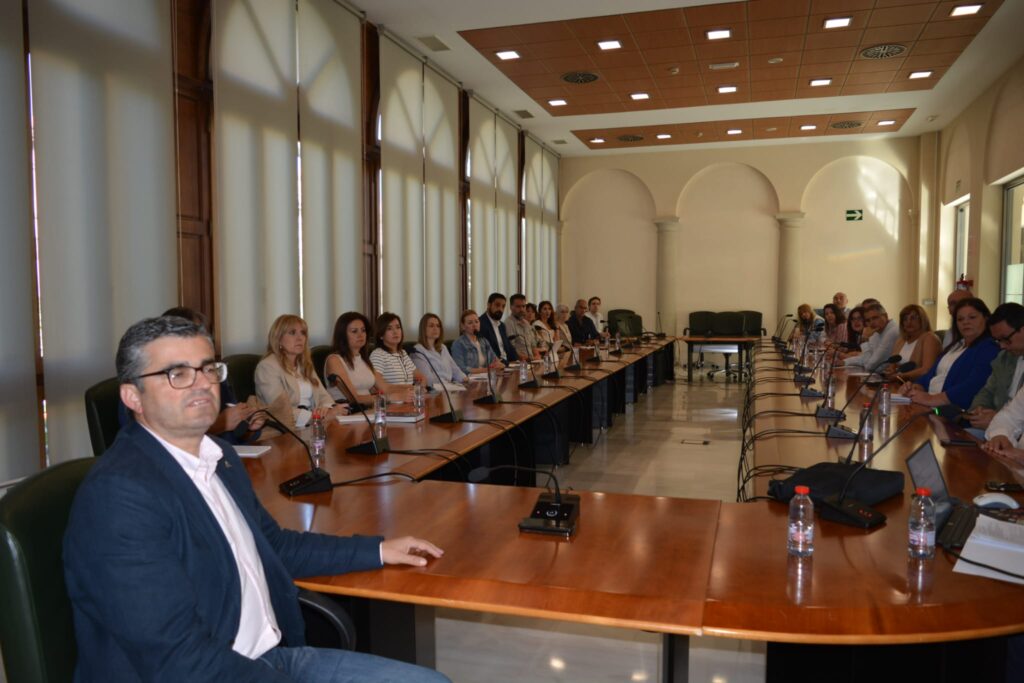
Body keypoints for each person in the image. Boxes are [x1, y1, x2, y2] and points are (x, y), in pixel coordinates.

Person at [63, 316, 447, 682]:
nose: (201, 384)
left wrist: (377, 550)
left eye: (208, 369)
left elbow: (275, 546)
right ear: (132, 396)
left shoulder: (220, 458)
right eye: (177, 373)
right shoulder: (119, 497)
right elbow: (178, 661)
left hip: (269, 658)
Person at [117, 307, 267, 443]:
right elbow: (146, 440)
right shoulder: (141, 393)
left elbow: (238, 437)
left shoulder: (215, 379)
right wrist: (220, 424)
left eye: (208, 369)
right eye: (179, 374)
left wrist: (246, 424)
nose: (204, 383)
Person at [901, 297, 999, 408]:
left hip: (950, 409)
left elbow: (975, 384)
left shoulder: (989, 347)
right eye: (960, 319)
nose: (965, 322)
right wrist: (917, 386)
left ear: (986, 318)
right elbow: (932, 373)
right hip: (928, 403)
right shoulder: (956, 345)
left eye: (972, 317)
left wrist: (933, 399)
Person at [255, 314, 343, 427]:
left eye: (303, 333)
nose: (300, 338)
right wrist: (317, 417)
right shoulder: (267, 367)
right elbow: (281, 410)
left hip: (313, 425)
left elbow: (323, 396)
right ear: (278, 338)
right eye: (292, 333)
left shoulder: (304, 364)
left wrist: (326, 408)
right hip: (286, 430)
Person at [967, 303, 1024, 429]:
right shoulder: (1004, 358)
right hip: (997, 428)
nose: (1002, 346)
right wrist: (979, 410)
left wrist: (997, 418)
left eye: (1005, 339)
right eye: (998, 340)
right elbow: (987, 391)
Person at [324, 311, 400, 405]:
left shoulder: (364, 359)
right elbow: (354, 398)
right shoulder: (334, 360)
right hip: (348, 411)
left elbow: (385, 388)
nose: (360, 335)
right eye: (354, 331)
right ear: (342, 335)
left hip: (368, 409)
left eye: (363, 330)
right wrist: (388, 397)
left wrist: (411, 390)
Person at [889, 304, 941, 383]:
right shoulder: (900, 340)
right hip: (899, 383)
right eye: (905, 319)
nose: (908, 322)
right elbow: (892, 366)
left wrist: (902, 376)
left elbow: (927, 370)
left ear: (922, 320)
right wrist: (890, 371)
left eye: (913, 318)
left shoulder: (930, 338)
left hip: (919, 385)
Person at [370, 312, 425, 386]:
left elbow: (421, 377)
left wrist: (419, 388)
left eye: (398, 327)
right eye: (389, 329)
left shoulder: (402, 353)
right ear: (381, 335)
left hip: (410, 393)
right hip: (392, 394)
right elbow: (376, 383)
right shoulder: (378, 354)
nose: (395, 332)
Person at [843, 302, 900, 373]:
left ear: (885, 316)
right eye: (868, 320)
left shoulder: (892, 332)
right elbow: (866, 358)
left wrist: (865, 340)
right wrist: (844, 362)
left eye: (875, 318)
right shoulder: (876, 332)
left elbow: (870, 366)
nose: (872, 323)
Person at [412, 313, 467, 386]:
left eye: (438, 326)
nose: (435, 329)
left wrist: (466, 379)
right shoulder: (418, 350)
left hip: (450, 386)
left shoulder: (443, 347)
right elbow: (428, 379)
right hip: (433, 389)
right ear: (423, 329)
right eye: (431, 326)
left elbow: (455, 369)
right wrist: (449, 384)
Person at [451, 309, 504, 374]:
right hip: (469, 378)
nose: (474, 325)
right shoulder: (458, 344)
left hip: (486, 376)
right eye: (470, 323)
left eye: (476, 321)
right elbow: (461, 369)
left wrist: (499, 364)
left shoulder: (484, 341)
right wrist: (486, 370)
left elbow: (495, 360)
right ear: (463, 326)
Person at [477, 292, 518, 364]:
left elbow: (508, 347)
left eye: (503, 306)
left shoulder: (501, 325)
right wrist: (506, 363)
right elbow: (486, 351)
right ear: (489, 305)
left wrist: (518, 360)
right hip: (495, 365)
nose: (500, 309)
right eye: (497, 305)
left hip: (507, 364)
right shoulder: (480, 324)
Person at [505, 293, 543, 361]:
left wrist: (537, 357)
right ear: (511, 307)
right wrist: (531, 359)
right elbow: (511, 349)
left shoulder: (526, 323)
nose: (522, 309)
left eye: (523, 306)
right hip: (519, 363)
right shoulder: (508, 323)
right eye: (518, 307)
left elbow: (533, 345)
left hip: (531, 361)